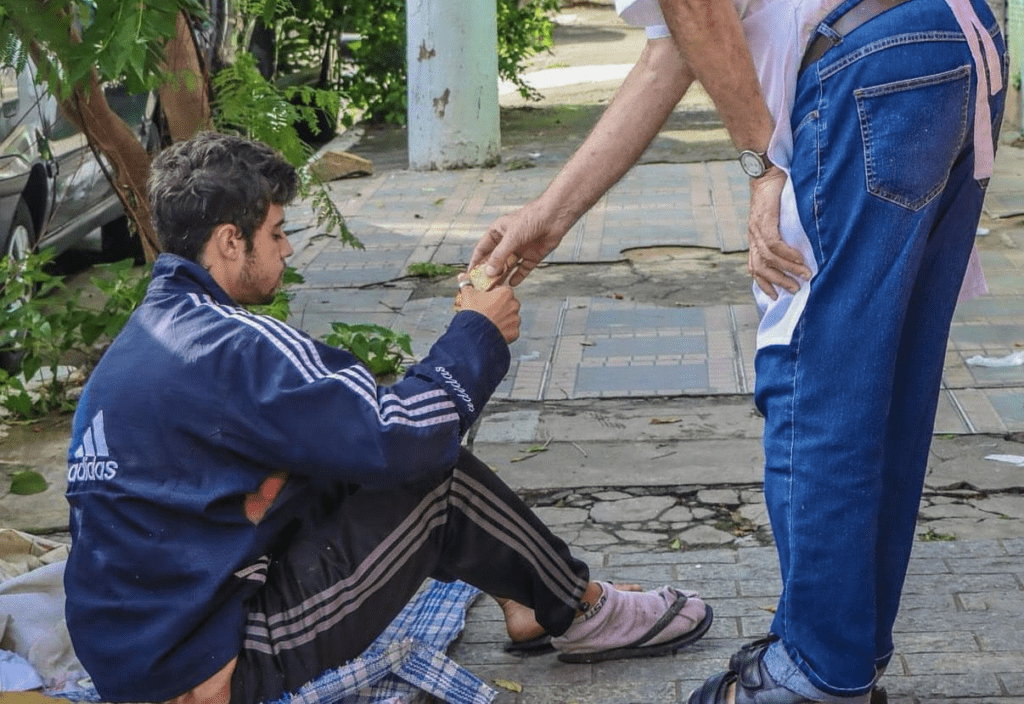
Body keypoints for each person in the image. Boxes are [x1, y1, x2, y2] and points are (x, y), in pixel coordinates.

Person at [449, 0, 1007, 704]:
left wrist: (763, 165)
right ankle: (838, 657)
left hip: (869, 63)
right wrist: (548, 217)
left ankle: (812, 674)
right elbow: (678, 45)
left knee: (811, 371)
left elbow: (698, 1)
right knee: (886, 374)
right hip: (942, 47)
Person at [63, 131, 712, 704]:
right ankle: (579, 609)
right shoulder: (231, 344)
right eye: (277, 232)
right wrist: (476, 332)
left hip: (140, 658)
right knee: (432, 478)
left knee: (337, 463)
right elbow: (404, 438)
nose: (288, 250)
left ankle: (531, 599)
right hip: (208, 667)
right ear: (230, 241)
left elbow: (344, 431)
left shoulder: (140, 344)